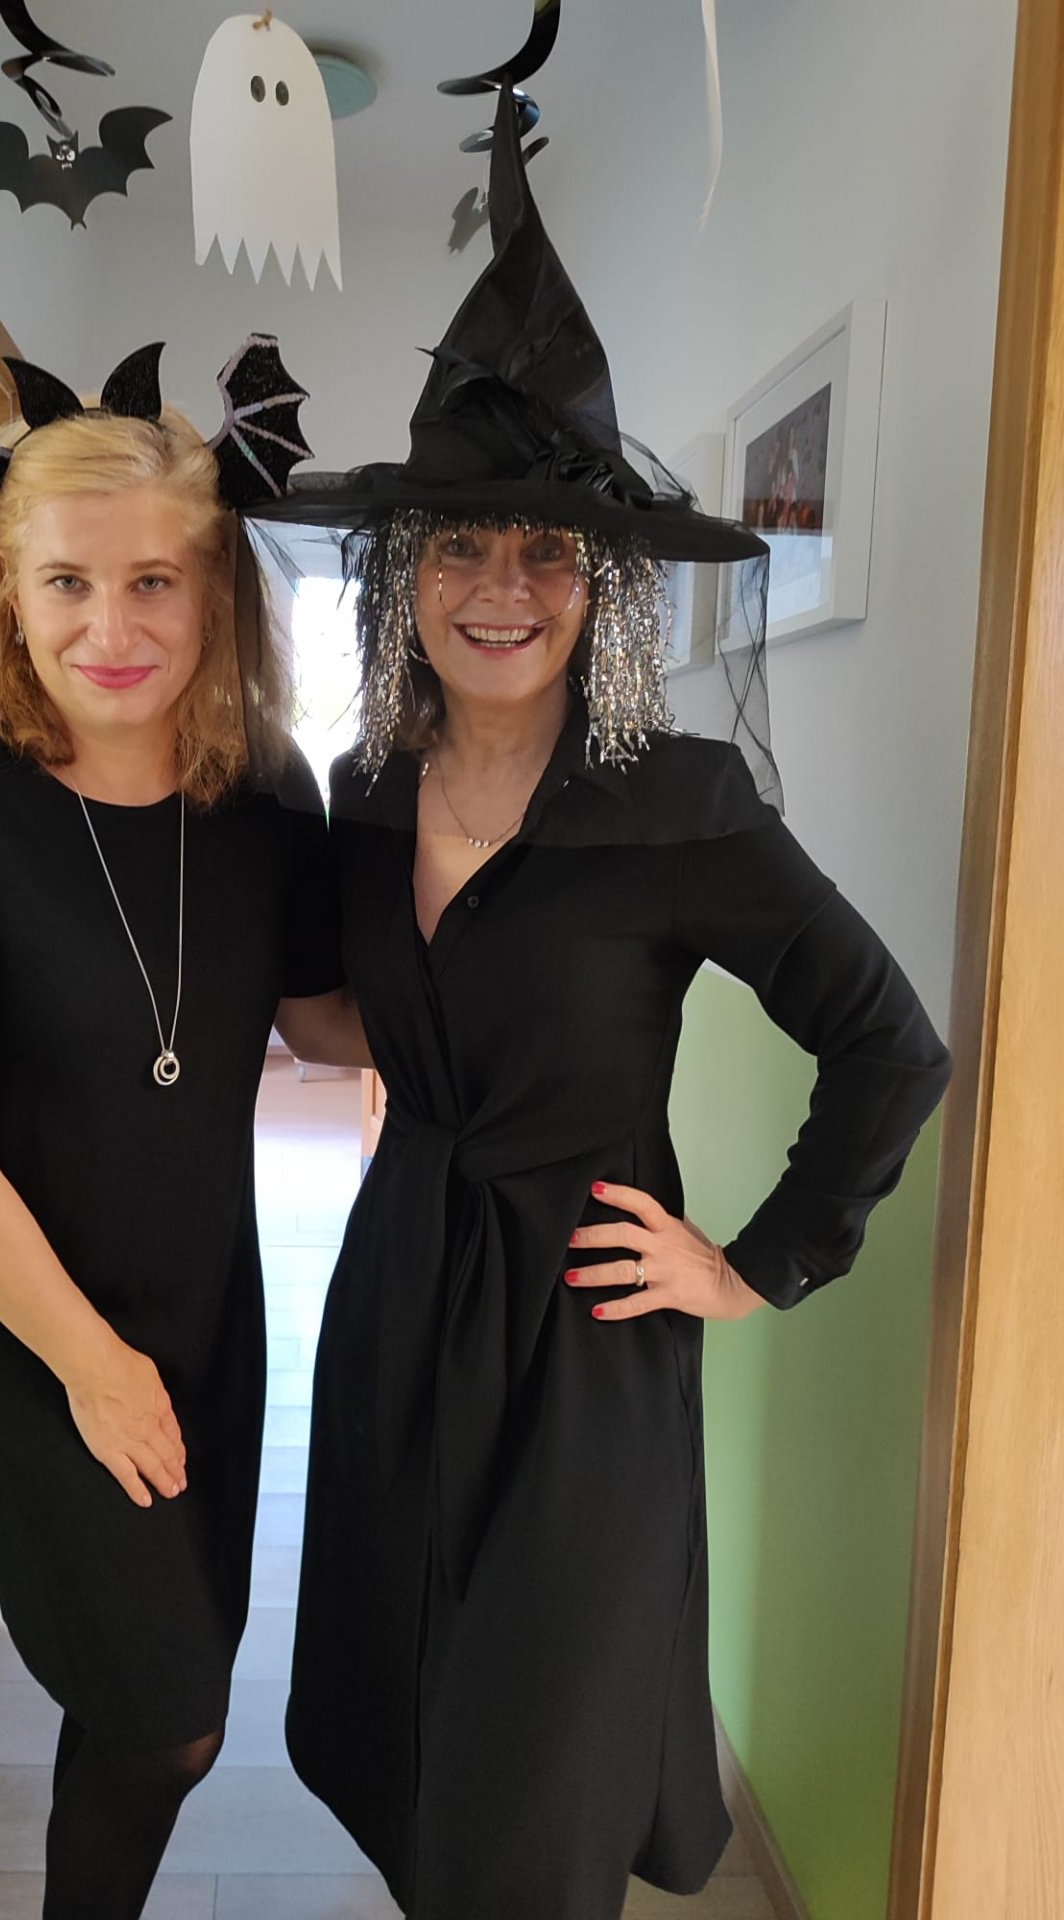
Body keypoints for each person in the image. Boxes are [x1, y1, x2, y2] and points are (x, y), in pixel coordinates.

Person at [249, 89, 951, 1920]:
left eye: (545, 552)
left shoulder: (682, 804)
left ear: (603, 585)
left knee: (540, 1769)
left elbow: (891, 1044)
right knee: (406, 1709)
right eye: (461, 546)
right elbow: (344, 1018)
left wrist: (755, 1264)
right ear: (403, 569)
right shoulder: (364, 787)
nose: (500, 590)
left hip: (586, 1324)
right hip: (400, 1283)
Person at [0, 332, 368, 1920]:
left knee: (163, 1694)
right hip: (29, 1322)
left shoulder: (266, 798)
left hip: (206, 1303)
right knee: (166, 1711)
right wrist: (92, 1366)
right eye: (67, 582)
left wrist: (491, 988)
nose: (111, 627)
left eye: (154, 582)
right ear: (8, 592)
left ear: (215, 595)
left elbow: (322, 1022)